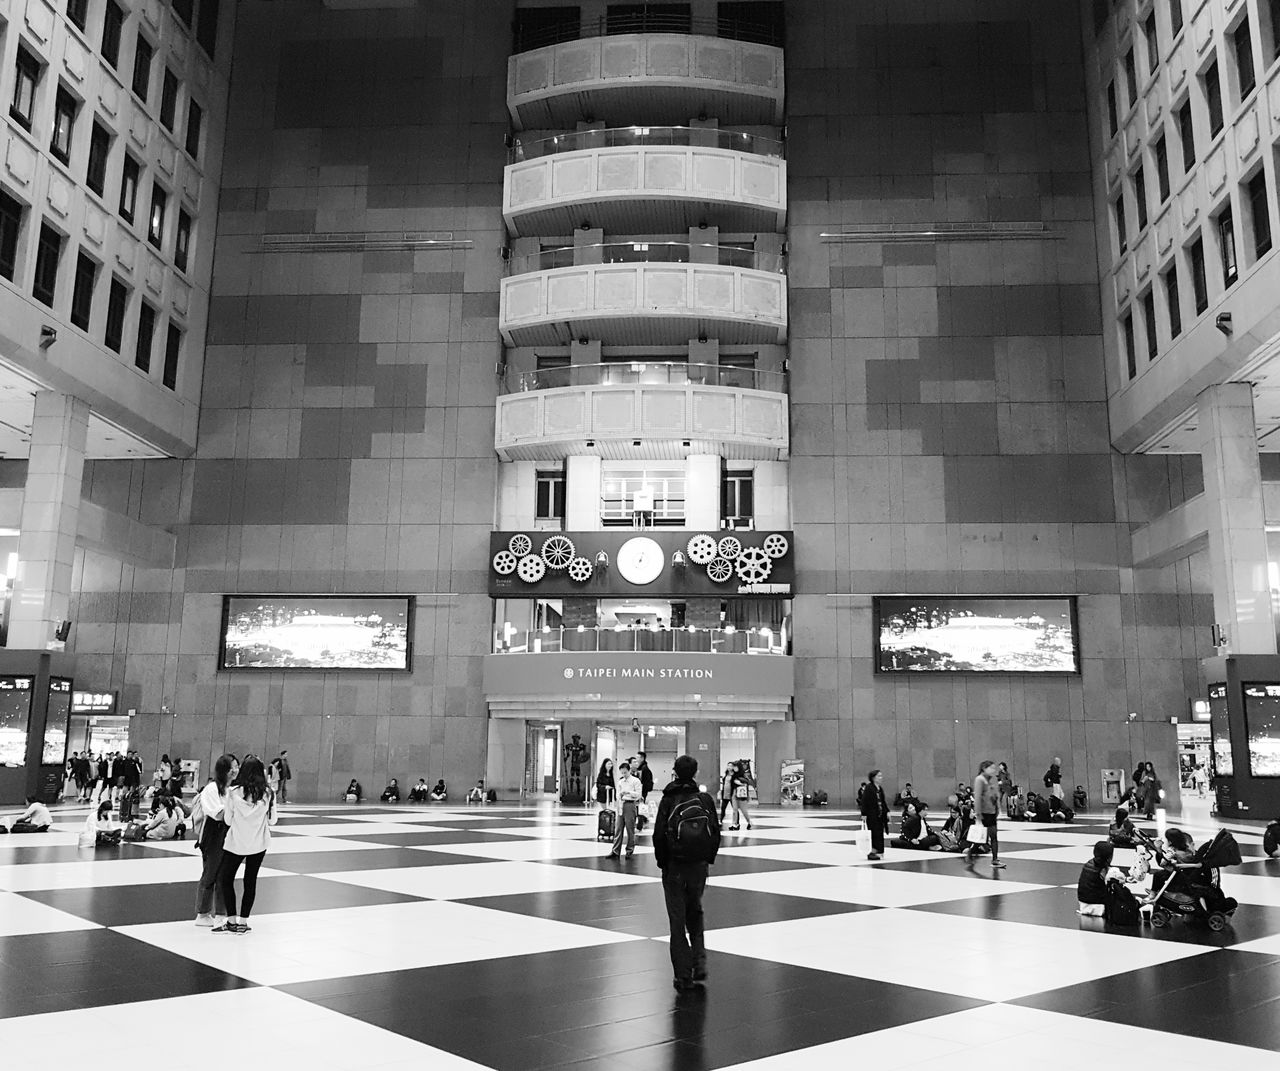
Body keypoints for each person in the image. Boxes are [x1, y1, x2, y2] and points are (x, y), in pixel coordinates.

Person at [653, 754, 721, 991]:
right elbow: (715, 829)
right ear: (695, 773)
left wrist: (663, 862)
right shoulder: (704, 799)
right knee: (696, 911)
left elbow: (659, 834)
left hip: (674, 866)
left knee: (677, 919)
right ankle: (699, 962)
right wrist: (707, 858)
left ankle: (683, 975)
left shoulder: (668, 799)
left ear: (674, 771)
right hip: (698, 866)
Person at [214, 757, 277, 934]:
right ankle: (243, 922)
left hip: (236, 843)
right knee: (251, 881)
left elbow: (227, 819)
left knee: (226, 879)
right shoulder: (268, 793)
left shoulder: (233, 792)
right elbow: (272, 820)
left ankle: (231, 920)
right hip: (259, 843)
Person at [194, 754, 233, 927]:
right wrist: (236, 808)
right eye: (233, 767)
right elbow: (217, 813)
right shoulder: (211, 789)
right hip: (214, 834)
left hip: (228, 833)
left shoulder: (231, 790)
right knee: (210, 873)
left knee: (224, 875)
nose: (236, 770)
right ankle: (202, 913)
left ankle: (221, 914)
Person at [968, 759, 1005, 868]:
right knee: (983, 838)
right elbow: (978, 798)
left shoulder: (990, 781)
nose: (993, 770)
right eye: (991, 768)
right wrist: (978, 815)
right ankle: (971, 853)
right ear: (984, 768)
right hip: (984, 813)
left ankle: (995, 859)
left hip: (991, 812)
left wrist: (998, 809)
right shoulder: (980, 780)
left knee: (992, 837)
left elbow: (993, 796)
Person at [609, 760, 643, 858]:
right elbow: (617, 794)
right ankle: (615, 851)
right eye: (622, 773)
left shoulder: (635, 781)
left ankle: (629, 850)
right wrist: (619, 796)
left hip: (630, 805)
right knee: (618, 828)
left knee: (630, 828)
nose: (624, 774)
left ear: (629, 771)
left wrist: (628, 792)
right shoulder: (620, 782)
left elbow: (638, 795)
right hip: (621, 804)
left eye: (625, 772)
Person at [1077, 840, 1117, 916]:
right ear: (1109, 858)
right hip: (1097, 906)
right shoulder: (1102, 870)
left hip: (1083, 903)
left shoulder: (1089, 863)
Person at [859, 768, 889, 860]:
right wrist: (863, 814)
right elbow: (864, 801)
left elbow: (883, 801)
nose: (881, 777)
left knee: (879, 833)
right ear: (873, 778)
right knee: (873, 834)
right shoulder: (869, 788)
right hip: (872, 815)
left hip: (880, 815)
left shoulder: (879, 788)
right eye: (879, 776)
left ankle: (879, 851)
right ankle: (872, 851)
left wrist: (887, 811)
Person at [727, 760, 755, 831]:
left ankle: (749, 822)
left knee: (743, 810)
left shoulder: (743, 774)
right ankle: (735, 824)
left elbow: (747, 783)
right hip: (734, 793)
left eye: (736, 766)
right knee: (734, 810)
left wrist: (740, 783)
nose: (735, 768)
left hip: (741, 794)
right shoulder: (733, 775)